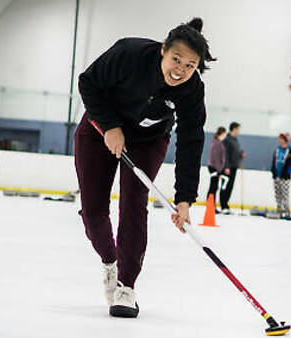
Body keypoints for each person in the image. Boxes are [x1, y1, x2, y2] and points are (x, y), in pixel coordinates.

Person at [75, 18, 214, 318]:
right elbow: (88, 82)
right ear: (163, 50)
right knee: (93, 210)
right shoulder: (130, 53)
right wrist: (111, 126)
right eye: (176, 59)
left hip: (148, 141)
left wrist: (184, 199)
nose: (180, 70)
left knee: (134, 204)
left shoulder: (191, 92)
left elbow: (191, 141)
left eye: (190, 65)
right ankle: (110, 263)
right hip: (100, 127)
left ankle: (126, 285)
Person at [219, 121, 244, 213]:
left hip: (234, 167)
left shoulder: (235, 140)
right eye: (238, 129)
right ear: (234, 129)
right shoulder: (227, 140)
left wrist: (240, 155)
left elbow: (234, 153)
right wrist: (226, 167)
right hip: (227, 168)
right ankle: (223, 205)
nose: (239, 131)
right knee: (225, 186)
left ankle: (226, 205)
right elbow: (224, 154)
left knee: (230, 187)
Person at [270, 132, 291, 217]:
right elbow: (274, 161)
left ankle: (287, 211)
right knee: (278, 194)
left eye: (280, 139)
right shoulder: (277, 150)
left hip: (285, 177)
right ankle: (279, 211)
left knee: (285, 195)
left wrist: (288, 172)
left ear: (284, 140)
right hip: (277, 175)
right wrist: (273, 172)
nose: (279, 140)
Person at [206, 126, 226, 208]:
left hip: (216, 167)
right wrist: (219, 169)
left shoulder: (219, 142)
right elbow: (215, 157)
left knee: (214, 187)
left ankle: (211, 205)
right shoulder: (216, 143)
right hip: (214, 167)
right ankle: (210, 205)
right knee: (213, 187)